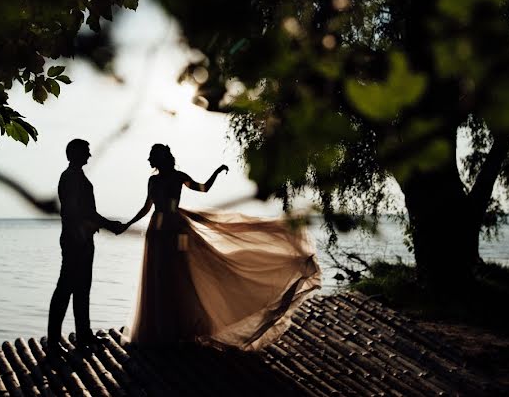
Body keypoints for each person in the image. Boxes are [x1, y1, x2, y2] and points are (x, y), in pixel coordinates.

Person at [123, 144, 321, 350]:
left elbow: (203, 188)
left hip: (175, 230)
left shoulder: (178, 176)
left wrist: (216, 173)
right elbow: (147, 206)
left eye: (151, 157)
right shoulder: (154, 180)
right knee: (157, 275)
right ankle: (158, 329)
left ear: (160, 158)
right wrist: (127, 224)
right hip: (157, 231)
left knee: (176, 275)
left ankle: (176, 328)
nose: (148, 161)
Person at [47, 139, 125, 355]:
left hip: (83, 239)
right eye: (86, 152)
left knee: (82, 289)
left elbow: (85, 211)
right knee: (65, 289)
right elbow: (76, 211)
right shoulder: (70, 177)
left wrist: (102, 226)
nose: (89, 156)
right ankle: (53, 342)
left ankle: (83, 334)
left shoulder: (76, 176)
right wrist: (109, 225)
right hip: (74, 240)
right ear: (73, 152)